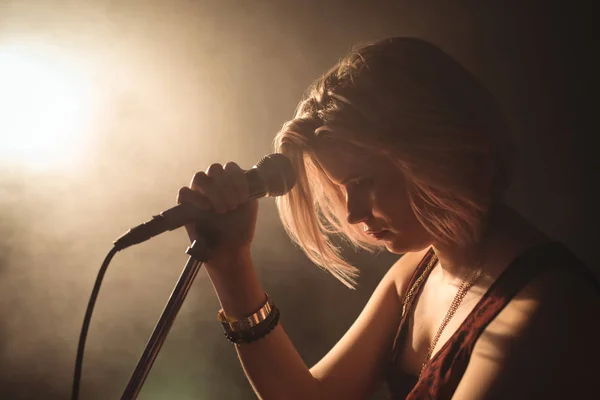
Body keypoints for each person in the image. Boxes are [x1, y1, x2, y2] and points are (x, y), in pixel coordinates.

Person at [176, 37, 600, 399]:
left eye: (364, 181)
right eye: (342, 189)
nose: (353, 212)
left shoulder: (544, 313)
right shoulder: (417, 272)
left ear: (435, 153)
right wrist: (231, 266)